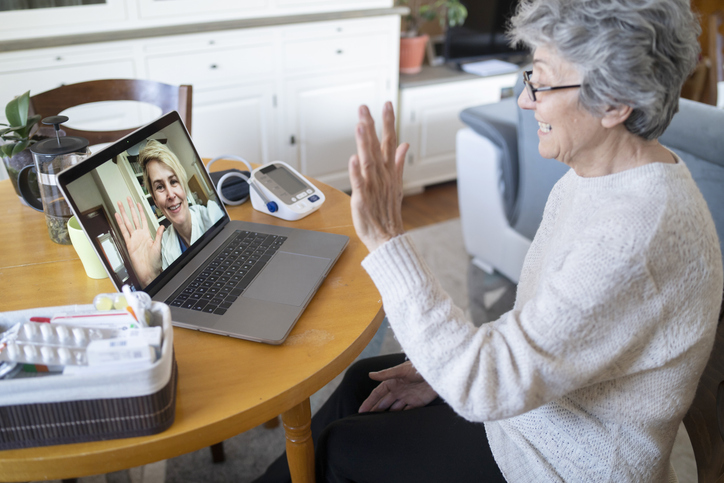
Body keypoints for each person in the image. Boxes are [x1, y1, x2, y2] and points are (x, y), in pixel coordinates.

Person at [255, 0, 724, 481]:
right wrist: (447, 365)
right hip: (540, 409)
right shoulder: (597, 173)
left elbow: (487, 388)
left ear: (614, 103)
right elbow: (550, 321)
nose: (525, 100)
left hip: (565, 463)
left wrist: (388, 239)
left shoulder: (634, 236)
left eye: (541, 80)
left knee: (341, 450)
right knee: (363, 384)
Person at [115, 139, 223, 287]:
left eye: (173, 181)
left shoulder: (213, 215)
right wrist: (149, 279)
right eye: (160, 187)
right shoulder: (164, 245)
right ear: (154, 199)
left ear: (183, 185)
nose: (171, 194)